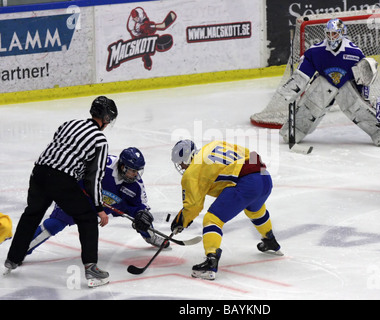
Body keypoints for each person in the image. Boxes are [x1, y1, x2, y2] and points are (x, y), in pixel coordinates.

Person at [4, 96, 118, 287]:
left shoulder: (69, 123)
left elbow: (58, 150)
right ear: (105, 117)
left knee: (31, 214)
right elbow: (94, 177)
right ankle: (91, 268)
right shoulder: (100, 140)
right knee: (87, 218)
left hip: (39, 173)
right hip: (61, 180)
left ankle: (13, 259)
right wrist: (99, 208)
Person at [134, 139, 282, 281]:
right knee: (255, 211)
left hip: (247, 183)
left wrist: (181, 220)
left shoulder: (192, 172)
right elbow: (250, 154)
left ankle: (211, 263)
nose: (182, 167)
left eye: (182, 163)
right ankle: (270, 241)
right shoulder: (213, 145)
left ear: (187, 158)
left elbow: (193, 206)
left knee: (212, 219)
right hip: (264, 177)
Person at [27, 147, 169, 256]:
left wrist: (140, 213)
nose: (136, 174)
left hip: (112, 202)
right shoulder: (102, 166)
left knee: (142, 218)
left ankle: (150, 236)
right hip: (81, 197)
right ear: (122, 166)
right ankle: (22, 249)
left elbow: (141, 205)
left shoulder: (135, 184)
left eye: (138, 171)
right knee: (55, 224)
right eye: (132, 170)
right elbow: (74, 171)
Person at [278, 18, 380, 147]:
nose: (331, 37)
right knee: (312, 104)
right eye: (329, 33)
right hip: (324, 85)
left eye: (334, 33)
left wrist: (364, 98)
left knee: (357, 107)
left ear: (342, 33)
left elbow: (362, 79)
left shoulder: (354, 52)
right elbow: (303, 73)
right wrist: (292, 88)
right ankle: (295, 130)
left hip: (346, 87)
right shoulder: (316, 51)